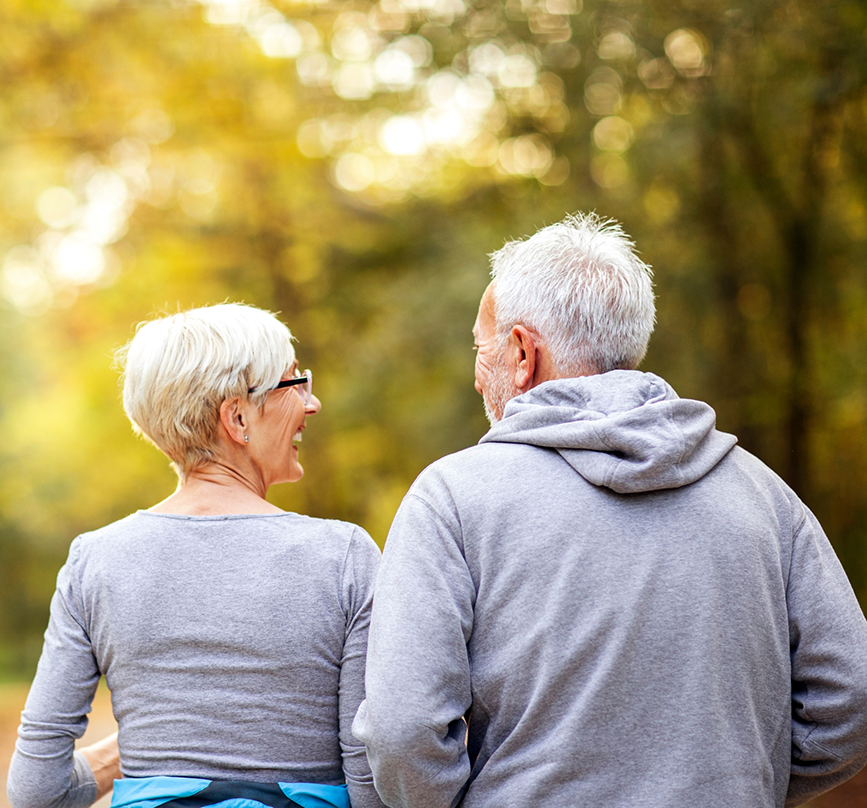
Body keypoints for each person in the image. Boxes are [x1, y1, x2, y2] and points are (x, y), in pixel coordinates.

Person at [352, 213, 867, 808]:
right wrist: (750, 780)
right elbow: (851, 697)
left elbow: (402, 730)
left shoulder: (452, 498)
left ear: (522, 353)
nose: (477, 376)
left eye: (481, 346)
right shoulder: (763, 494)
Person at [8, 303, 385, 808]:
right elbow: (372, 779)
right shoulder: (344, 557)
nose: (311, 404)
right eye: (295, 384)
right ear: (237, 417)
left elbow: (36, 791)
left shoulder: (95, 561)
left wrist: (156, 755)